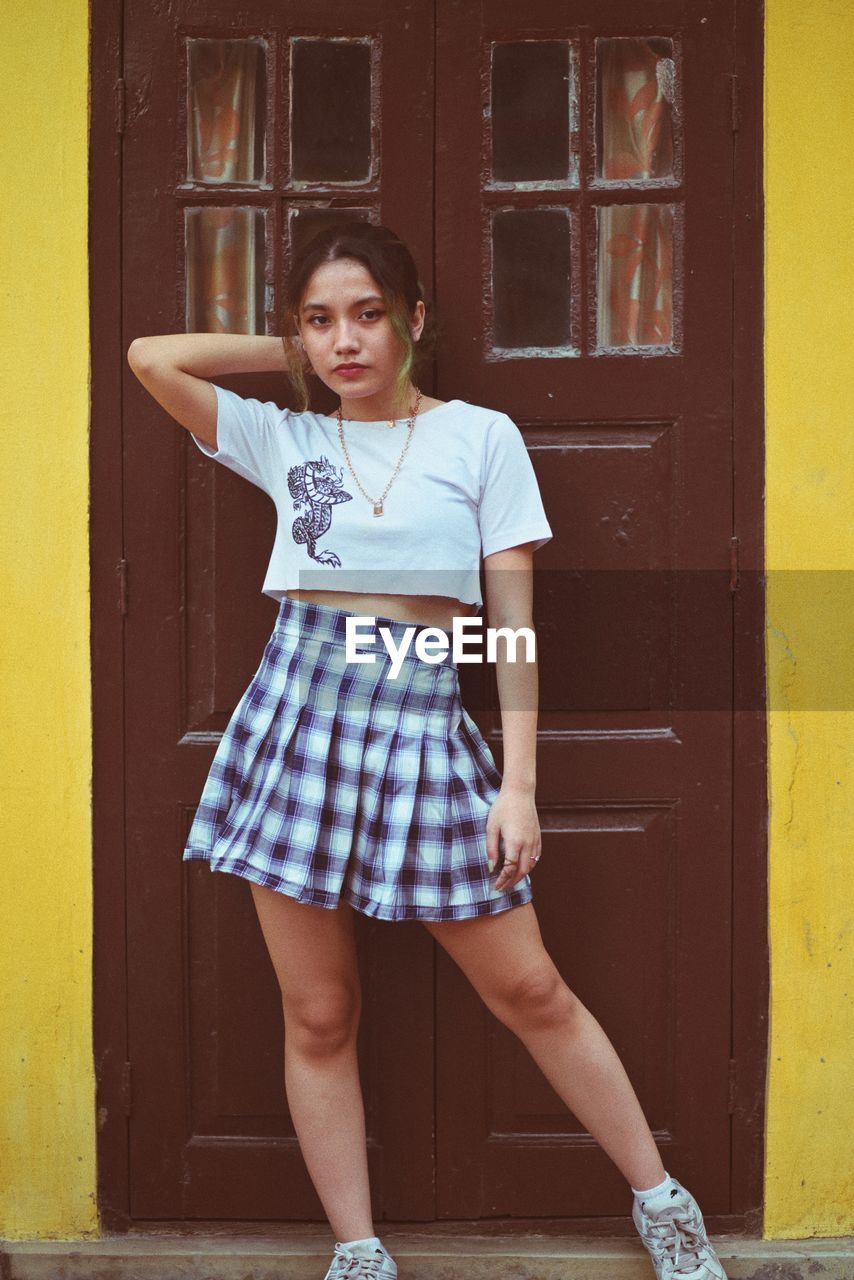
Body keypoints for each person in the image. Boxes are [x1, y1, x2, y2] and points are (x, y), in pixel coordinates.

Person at [127, 221, 728, 1280]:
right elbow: (150, 358)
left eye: (367, 315)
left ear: (415, 319)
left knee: (529, 987)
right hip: (298, 718)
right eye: (320, 320)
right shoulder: (285, 437)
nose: (343, 340)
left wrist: (520, 787)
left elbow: (509, 625)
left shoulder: (478, 437)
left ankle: (660, 1202)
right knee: (319, 1009)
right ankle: (358, 1251)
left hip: (419, 719)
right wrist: (290, 348)